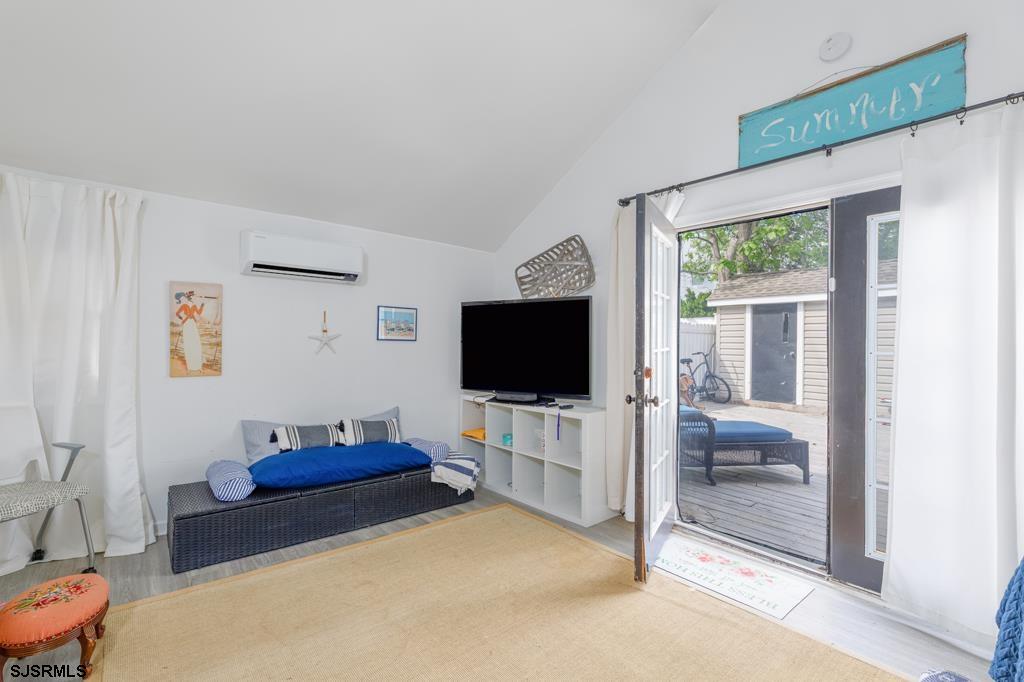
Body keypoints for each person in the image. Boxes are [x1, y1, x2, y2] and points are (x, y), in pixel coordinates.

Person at [174, 291, 205, 373]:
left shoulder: (194, 305)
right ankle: (190, 367)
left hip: (192, 324)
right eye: (192, 297)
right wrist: (182, 318)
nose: (192, 299)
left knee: (196, 343)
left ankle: (198, 366)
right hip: (187, 324)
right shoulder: (184, 305)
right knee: (188, 344)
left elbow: (199, 313)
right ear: (189, 298)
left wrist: (202, 305)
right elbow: (177, 313)